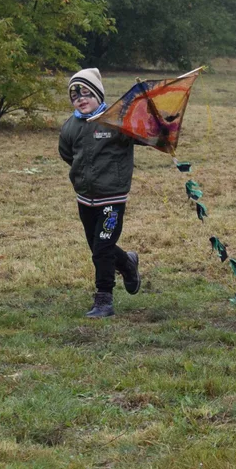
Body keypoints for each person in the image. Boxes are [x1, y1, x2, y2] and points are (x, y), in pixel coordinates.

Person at [58, 68, 140, 318]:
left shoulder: (116, 120)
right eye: (75, 95)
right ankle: (127, 263)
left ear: (98, 94)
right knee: (98, 247)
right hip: (85, 198)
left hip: (112, 199)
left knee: (103, 248)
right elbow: (66, 153)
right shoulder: (71, 126)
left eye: (86, 93)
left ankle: (104, 300)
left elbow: (145, 134)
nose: (81, 99)